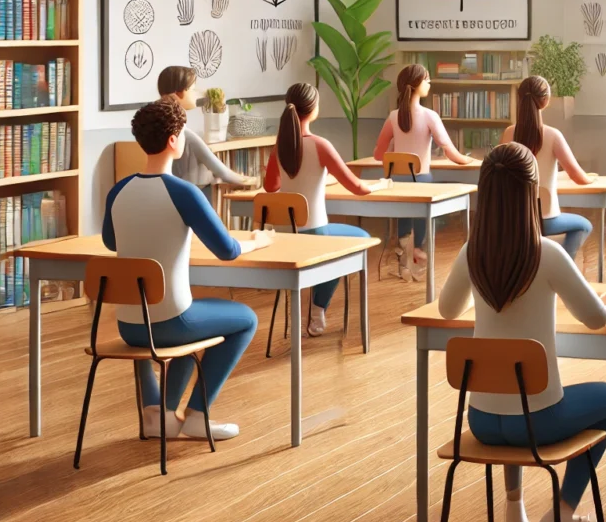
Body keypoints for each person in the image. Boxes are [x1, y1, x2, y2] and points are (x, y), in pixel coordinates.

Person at [439, 142, 606, 522]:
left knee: (510, 387)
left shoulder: (473, 252)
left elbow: (446, 310)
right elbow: (594, 318)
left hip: (481, 421)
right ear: (532, 193)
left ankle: (514, 510)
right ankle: (561, 511)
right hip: (540, 421)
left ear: (484, 194)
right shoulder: (549, 254)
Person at [103, 98, 273, 441]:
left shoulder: (118, 190)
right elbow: (227, 250)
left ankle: (158, 416)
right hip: (170, 323)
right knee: (245, 319)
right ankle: (197, 416)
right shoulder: (185, 192)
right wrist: (258, 240)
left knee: (187, 329)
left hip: (129, 326)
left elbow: (110, 242)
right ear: (173, 140)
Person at [263, 82, 388, 336]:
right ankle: (318, 307)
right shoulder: (321, 145)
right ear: (313, 110)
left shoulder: (280, 147)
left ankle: (312, 307)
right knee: (358, 240)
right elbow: (357, 187)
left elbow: (270, 186)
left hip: (285, 235)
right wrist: (379, 185)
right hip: (315, 234)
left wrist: (306, 179)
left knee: (338, 241)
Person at [374, 64, 472, 279]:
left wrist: (395, 152)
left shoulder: (393, 117)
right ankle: (418, 248)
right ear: (418, 84)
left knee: (405, 211)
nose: (429, 83)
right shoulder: (429, 115)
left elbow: (378, 155)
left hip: (396, 183)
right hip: (421, 181)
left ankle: (405, 254)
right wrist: (470, 159)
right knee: (424, 191)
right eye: (427, 80)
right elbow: (450, 152)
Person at [500, 76, 597, 260]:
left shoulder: (508, 133)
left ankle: (539, 259)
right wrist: (591, 178)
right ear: (545, 101)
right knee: (584, 225)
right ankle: (561, 264)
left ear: (520, 98)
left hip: (514, 218)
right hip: (545, 219)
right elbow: (577, 176)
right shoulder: (553, 135)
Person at [155, 66, 257, 190]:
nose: (196, 94)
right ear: (179, 93)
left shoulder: (155, 125)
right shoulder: (182, 133)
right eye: (192, 90)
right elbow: (223, 172)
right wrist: (254, 180)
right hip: (184, 191)